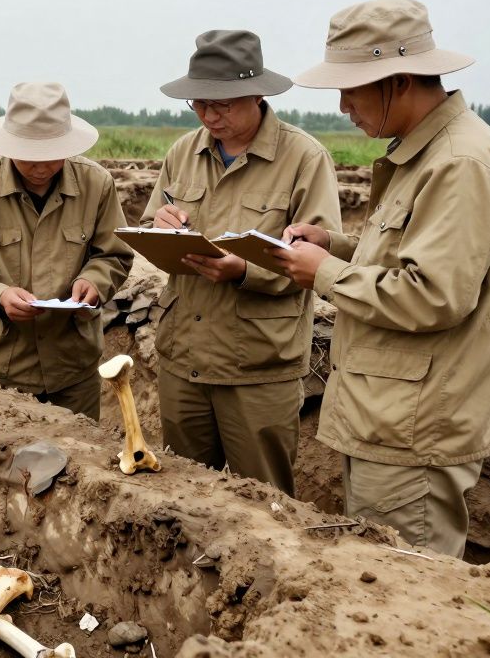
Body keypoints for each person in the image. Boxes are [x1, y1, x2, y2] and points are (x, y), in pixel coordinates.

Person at [273, 0, 490, 557]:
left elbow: (433, 295)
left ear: (401, 80)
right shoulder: (428, 153)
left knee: (406, 581)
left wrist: (326, 273)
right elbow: (409, 257)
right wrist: (335, 245)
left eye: (352, 90)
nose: (343, 107)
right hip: (390, 414)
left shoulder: (460, 162)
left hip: (415, 427)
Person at [139, 30, 341, 495]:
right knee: (182, 496)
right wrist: (161, 226)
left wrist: (245, 270)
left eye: (223, 104)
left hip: (257, 366)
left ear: (257, 94)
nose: (209, 115)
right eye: (199, 104)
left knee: (263, 503)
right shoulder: (183, 152)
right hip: (183, 357)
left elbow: (318, 257)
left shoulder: (303, 158)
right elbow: (153, 219)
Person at [0, 82, 133, 419]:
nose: (41, 167)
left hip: (73, 371)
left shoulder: (96, 185)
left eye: (52, 155)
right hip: (0, 374)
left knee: (78, 466)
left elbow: (114, 254)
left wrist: (95, 282)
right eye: (30, 156)